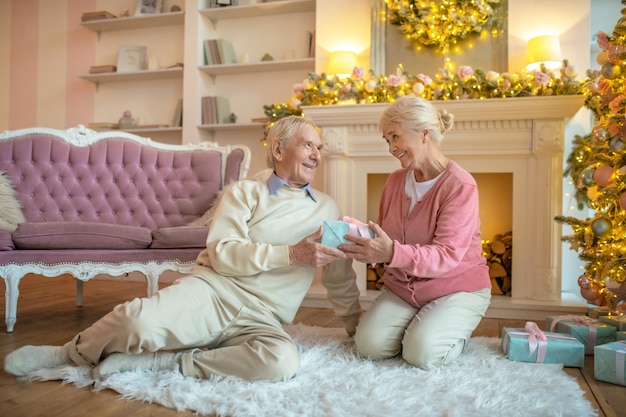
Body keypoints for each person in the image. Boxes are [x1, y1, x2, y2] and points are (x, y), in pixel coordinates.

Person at [5, 116, 362, 382]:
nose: (316, 154)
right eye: (308, 145)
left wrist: (353, 323)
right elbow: (223, 252)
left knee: (281, 363)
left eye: (319, 147)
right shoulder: (244, 193)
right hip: (213, 292)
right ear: (278, 149)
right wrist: (290, 254)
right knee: (137, 322)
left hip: (264, 318)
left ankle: (167, 363)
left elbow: (338, 273)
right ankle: (70, 352)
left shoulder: (327, 208)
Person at [339, 96, 491, 368]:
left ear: (424, 134)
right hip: (404, 289)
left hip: (455, 288)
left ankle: (453, 332)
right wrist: (361, 239)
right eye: (387, 140)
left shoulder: (460, 185)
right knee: (368, 345)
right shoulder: (395, 180)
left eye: (395, 137)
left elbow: (446, 255)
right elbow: (387, 235)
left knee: (421, 353)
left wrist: (390, 252)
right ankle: (422, 324)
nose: (391, 148)